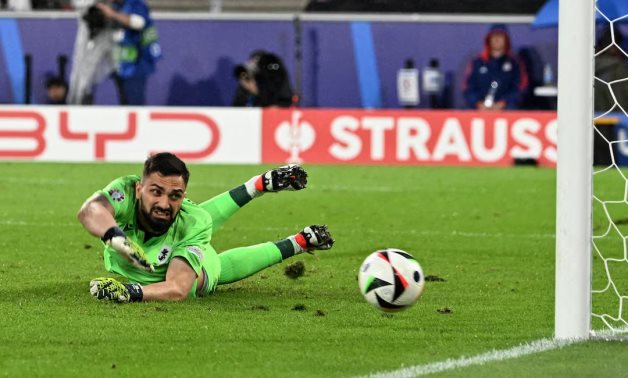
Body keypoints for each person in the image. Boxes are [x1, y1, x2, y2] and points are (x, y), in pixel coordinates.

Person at [78, 153, 334, 302]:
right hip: (160, 237)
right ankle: (257, 185)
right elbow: (90, 210)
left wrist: (129, 292)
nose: (164, 202)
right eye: (156, 192)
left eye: (175, 195)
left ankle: (298, 242)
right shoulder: (126, 189)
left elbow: (177, 288)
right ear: (139, 189)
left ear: (184, 193)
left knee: (206, 275)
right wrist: (116, 237)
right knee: (187, 217)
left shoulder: (193, 221)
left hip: (176, 265)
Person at [94, 0, 161, 105]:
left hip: (136, 65)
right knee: (124, 105)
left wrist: (112, 14)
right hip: (119, 64)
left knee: (134, 104)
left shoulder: (136, 4)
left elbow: (139, 22)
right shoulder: (116, 6)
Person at [463, 24, 528, 111]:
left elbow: (520, 88)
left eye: (500, 36)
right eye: (494, 36)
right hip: (479, 110)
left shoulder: (514, 64)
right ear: (488, 39)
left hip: (506, 110)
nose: (497, 39)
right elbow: (467, 87)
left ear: (506, 40)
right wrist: (478, 103)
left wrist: (503, 103)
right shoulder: (477, 63)